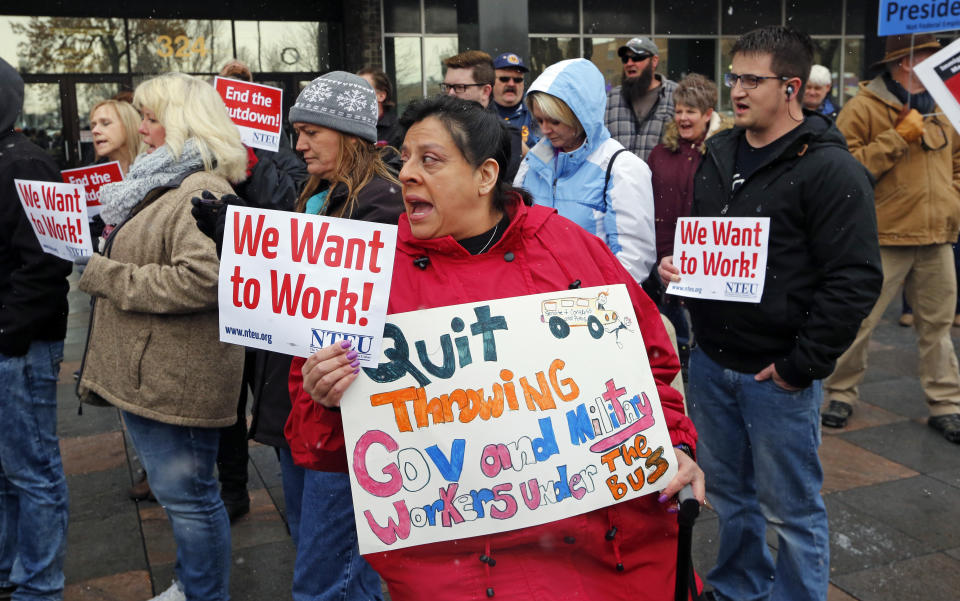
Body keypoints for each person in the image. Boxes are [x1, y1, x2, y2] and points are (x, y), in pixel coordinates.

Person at [289, 94, 703, 600]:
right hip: (453, 567)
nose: (407, 175)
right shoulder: (368, 278)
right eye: (406, 160)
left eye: (431, 160)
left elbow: (650, 362)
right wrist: (323, 396)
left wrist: (676, 446)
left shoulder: (567, 246)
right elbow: (323, 450)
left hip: (602, 551)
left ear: (486, 176)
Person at [659, 26, 882, 601]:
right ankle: (738, 587)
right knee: (730, 499)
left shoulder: (831, 170)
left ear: (791, 87)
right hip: (711, 363)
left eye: (752, 80)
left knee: (792, 512)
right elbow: (717, 250)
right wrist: (681, 270)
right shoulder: (719, 151)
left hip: (776, 377)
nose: (737, 90)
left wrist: (800, 365)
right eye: (735, 76)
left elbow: (854, 280)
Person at [75, 72, 248, 601]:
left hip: (178, 379)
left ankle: (203, 591)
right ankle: (191, 584)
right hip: (158, 372)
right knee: (182, 497)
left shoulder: (202, 188)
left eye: (153, 118)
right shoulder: (164, 180)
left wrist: (105, 274)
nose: (144, 129)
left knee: (190, 498)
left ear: (183, 123)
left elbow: (208, 280)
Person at [279, 71, 403, 601]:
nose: (299, 144)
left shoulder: (380, 204)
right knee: (329, 569)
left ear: (349, 135)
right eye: (296, 133)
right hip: (308, 407)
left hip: (345, 416)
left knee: (327, 582)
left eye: (311, 132)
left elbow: (376, 318)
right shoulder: (320, 196)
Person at [822, 33, 960, 442]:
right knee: (859, 323)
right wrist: (897, 137)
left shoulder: (946, 106)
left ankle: (946, 404)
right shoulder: (863, 106)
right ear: (907, 62)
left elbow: (957, 164)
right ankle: (839, 395)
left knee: (936, 328)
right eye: (933, 57)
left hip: (935, 238)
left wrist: (954, 201)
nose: (941, 65)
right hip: (882, 238)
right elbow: (843, 171)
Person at [211, 58, 309, 523]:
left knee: (274, 401)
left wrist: (252, 162)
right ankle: (234, 489)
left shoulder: (284, 155)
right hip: (236, 300)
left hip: (275, 304)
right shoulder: (206, 155)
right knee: (231, 402)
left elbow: (286, 209)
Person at [0, 56, 72, 601]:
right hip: (11, 345)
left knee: (32, 472)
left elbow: (48, 264)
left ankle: (39, 585)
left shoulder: (27, 163)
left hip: (19, 350)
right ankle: (11, 571)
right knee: (7, 474)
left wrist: (8, 334)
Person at [514, 58, 656, 286]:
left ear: (580, 116)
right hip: (535, 304)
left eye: (554, 121)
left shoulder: (621, 168)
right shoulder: (533, 161)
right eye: (539, 120)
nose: (545, 129)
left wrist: (594, 305)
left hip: (589, 310)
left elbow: (632, 261)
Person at [646, 73, 732, 369]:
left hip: (706, 260)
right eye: (679, 110)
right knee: (669, 325)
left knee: (704, 328)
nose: (683, 118)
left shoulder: (724, 154)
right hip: (663, 253)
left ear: (708, 114)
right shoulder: (660, 154)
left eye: (690, 112)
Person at [442, 50, 522, 180]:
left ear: (485, 92)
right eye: (447, 87)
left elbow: (500, 189)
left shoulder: (504, 136)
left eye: (460, 87)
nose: (450, 94)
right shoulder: (434, 124)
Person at [605, 36, 678, 161]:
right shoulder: (612, 99)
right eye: (625, 59)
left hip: (659, 180)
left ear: (654, 61)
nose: (629, 63)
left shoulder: (675, 95)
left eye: (637, 58)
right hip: (619, 179)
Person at [491, 52, 539, 148]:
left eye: (517, 80)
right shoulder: (480, 109)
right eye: (504, 79)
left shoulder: (537, 110)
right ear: (492, 81)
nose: (511, 84)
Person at [89, 99, 141, 175]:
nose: (94, 131)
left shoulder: (151, 167)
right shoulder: (90, 174)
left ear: (128, 126)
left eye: (105, 123)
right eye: (93, 125)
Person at [358, 66, 404, 150]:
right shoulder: (348, 127)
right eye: (355, 88)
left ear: (381, 96)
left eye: (363, 89)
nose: (356, 94)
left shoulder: (399, 129)